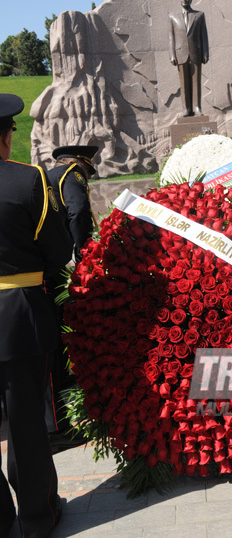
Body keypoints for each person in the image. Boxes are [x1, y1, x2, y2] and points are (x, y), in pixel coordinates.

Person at [0, 93, 73, 537]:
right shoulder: (28, 181)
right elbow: (58, 250)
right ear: (7, 136)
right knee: (26, 425)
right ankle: (36, 517)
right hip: (20, 318)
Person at [44, 145, 98, 442]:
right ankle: (59, 422)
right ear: (79, 164)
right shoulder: (72, 174)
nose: (86, 178)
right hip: (60, 270)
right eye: (88, 172)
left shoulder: (45, 176)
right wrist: (82, 252)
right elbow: (77, 212)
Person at [169, 0, 209, 117]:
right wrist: (172, 55)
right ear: (179, 0)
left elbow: (204, 36)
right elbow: (171, 37)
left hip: (195, 52)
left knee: (196, 81)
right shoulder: (172, 16)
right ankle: (186, 109)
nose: (185, 0)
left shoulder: (199, 15)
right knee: (184, 83)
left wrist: (205, 52)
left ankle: (197, 108)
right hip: (180, 54)